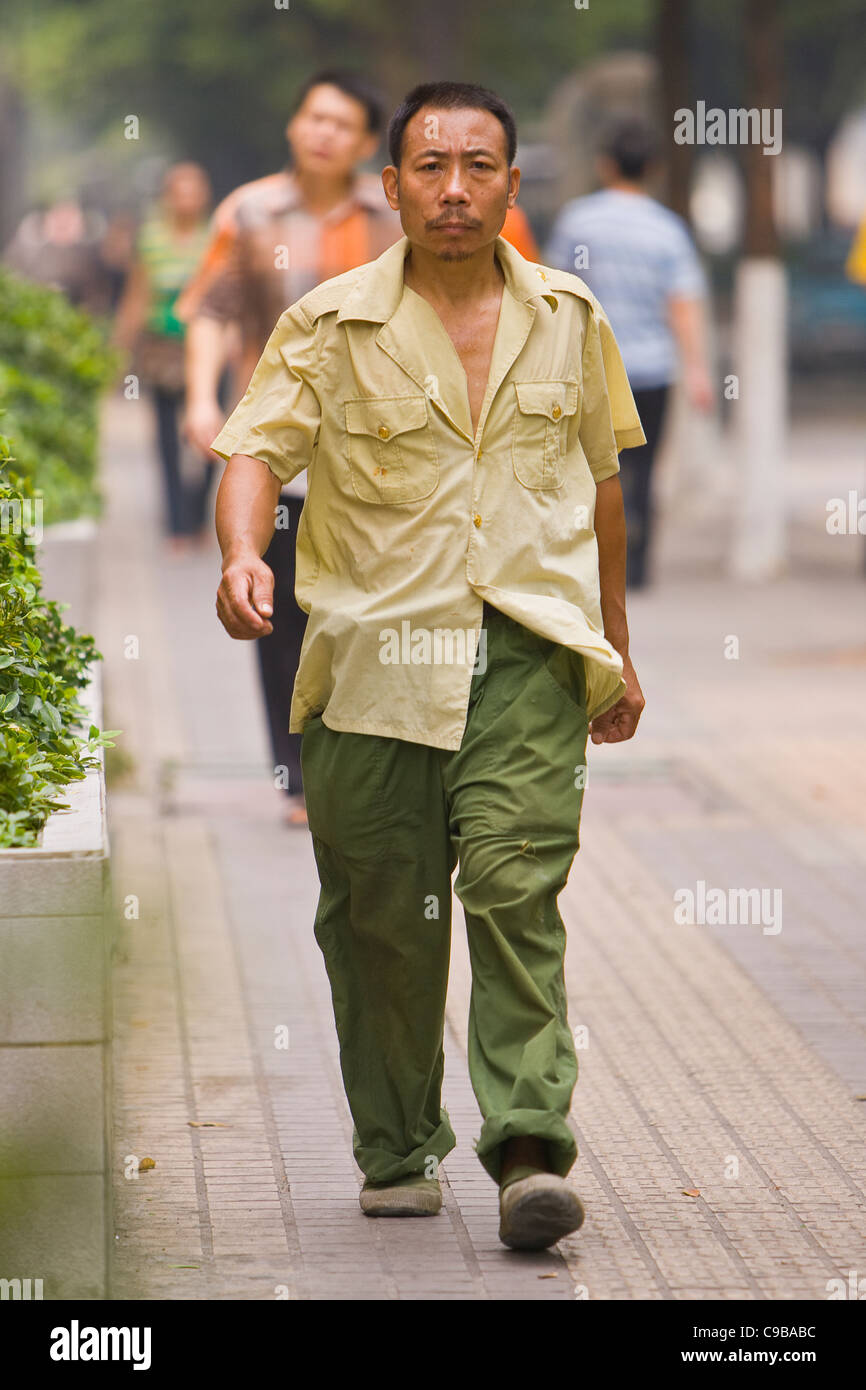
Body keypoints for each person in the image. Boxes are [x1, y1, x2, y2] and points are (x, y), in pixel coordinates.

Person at [210, 80, 647, 1251]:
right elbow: (254, 448)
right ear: (391, 184)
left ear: (511, 183)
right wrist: (243, 554)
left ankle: (526, 1149)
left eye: (479, 167)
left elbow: (601, 484)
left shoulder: (568, 315)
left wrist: (615, 641)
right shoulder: (327, 322)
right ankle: (397, 1145)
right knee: (383, 920)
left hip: (525, 654)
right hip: (371, 663)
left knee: (512, 888)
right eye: (430, 167)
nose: (454, 189)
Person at [181, 71, 402, 826]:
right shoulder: (249, 212)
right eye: (314, 116)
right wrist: (203, 397)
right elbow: (212, 309)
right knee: (278, 614)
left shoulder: (396, 214)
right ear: (294, 123)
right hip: (280, 450)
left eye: (343, 124)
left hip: (382, 451)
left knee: (368, 612)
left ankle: (368, 756)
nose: (323, 133)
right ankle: (299, 778)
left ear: (367, 144)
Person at [546, 117, 713, 587]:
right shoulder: (668, 230)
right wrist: (697, 370)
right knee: (644, 465)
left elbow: (557, 292)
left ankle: (598, 563)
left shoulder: (578, 220)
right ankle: (638, 568)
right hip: (653, 370)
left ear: (605, 165)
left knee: (592, 468)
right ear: (653, 168)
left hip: (591, 368)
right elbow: (681, 306)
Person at [112, 163, 214, 552]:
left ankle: (198, 516)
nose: (187, 199)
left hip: (208, 353)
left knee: (209, 437)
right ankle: (176, 526)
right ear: (169, 197)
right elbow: (137, 296)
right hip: (162, 350)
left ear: (204, 196)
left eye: (194, 190)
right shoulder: (151, 239)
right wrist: (120, 350)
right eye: (180, 191)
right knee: (168, 441)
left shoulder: (217, 235)